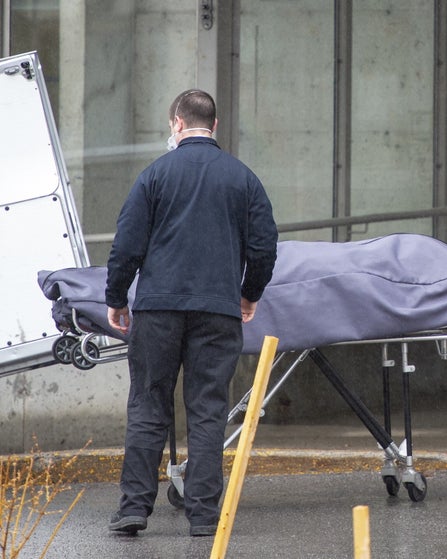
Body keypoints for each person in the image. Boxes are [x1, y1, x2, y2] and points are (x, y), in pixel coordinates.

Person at [105, 89, 278, 536]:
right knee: (207, 410)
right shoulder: (244, 179)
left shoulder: (154, 176)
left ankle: (133, 509)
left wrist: (116, 297)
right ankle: (203, 516)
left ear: (176, 123)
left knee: (147, 404)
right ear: (214, 126)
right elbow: (263, 246)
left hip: (158, 308)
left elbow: (126, 246)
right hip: (218, 311)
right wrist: (249, 293)